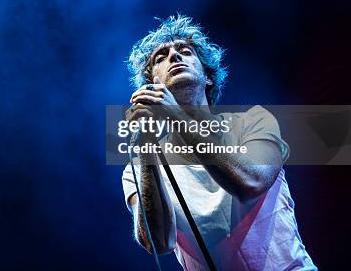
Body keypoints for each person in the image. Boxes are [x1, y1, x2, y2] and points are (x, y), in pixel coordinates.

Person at [122, 15, 316, 270]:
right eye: (161, 57)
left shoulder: (254, 121)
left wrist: (177, 117)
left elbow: (250, 182)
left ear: (208, 77)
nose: (175, 57)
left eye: (185, 51)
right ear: (151, 87)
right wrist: (145, 146)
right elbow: (159, 243)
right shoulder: (138, 167)